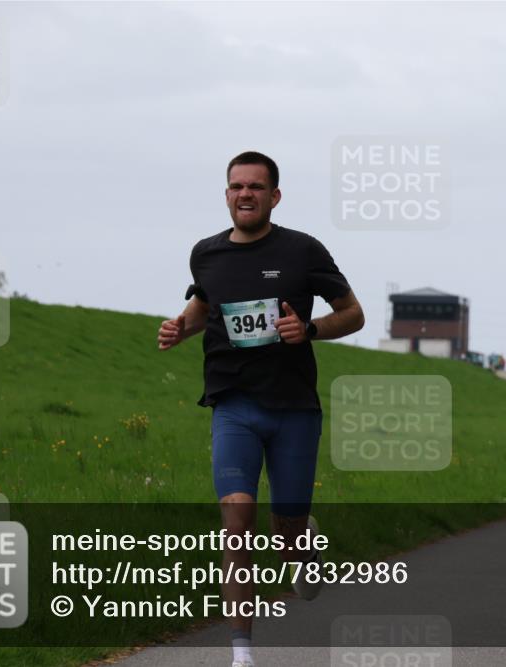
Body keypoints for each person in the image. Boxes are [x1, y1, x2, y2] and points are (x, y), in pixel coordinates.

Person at [157, 151, 364, 667]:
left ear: (274, 196)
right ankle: (242, 652)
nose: (244, 194)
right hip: (233, 404)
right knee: (236, 518)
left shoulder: (303, 251)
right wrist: (181, 326)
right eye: (235, 186)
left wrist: (310, 329)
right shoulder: (206, 254)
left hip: (294, 407)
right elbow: (206, 305)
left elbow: (354, 314)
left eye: (255, 187)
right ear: (226, 194)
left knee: (285, 527)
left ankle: (303, 545)